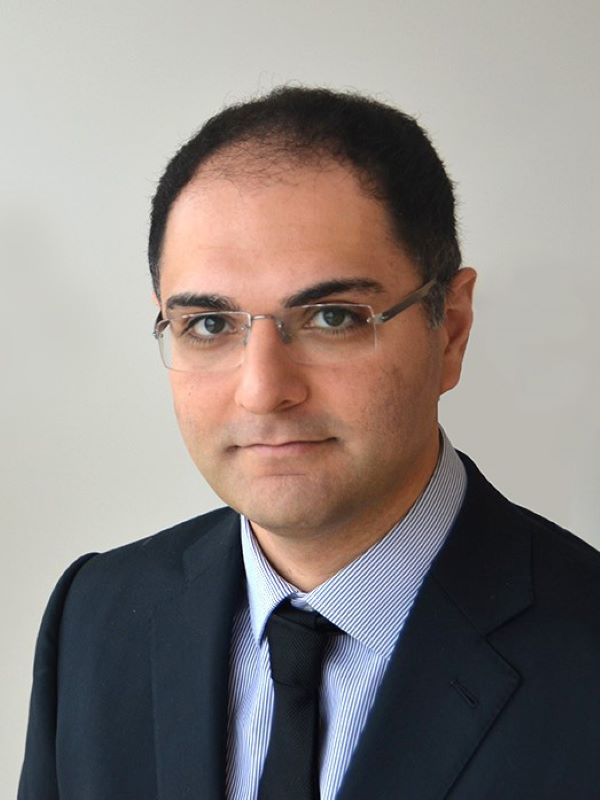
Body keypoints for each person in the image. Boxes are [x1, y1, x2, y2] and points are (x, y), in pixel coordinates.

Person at [19, 87, 600, 800]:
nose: (263, 390)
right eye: (209, 324)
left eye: (333, 317)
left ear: (449, 329)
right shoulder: (95, 616)